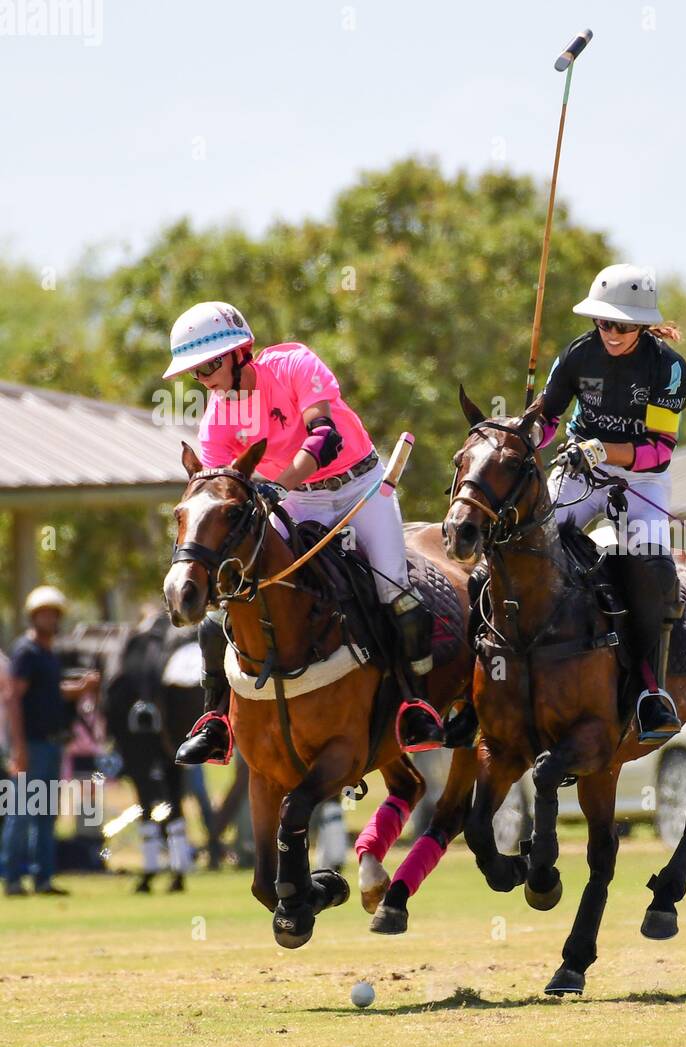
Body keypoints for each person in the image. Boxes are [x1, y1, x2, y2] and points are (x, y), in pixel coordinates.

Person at [161, 301, 443, 763]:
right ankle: (215, 721)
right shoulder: (216, 418)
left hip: (360, 489)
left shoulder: (293, 364)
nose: (205, 379)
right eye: (196, 373)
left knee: (396, 592)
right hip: (294, 500)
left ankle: (417, 704)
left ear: (240, 354)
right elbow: (218, 485)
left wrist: (276, 487)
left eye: (210, 365)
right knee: (224, 609)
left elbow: (325, 437)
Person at [537, 264, 686, 744]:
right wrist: (528, 435)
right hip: (581, 466)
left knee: (649, 568)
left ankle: (650, 691)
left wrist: (605, 451)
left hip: (643, 479)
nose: (610, 332)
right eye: (603, 322)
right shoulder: (579, 355)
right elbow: (546, 417)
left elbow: (659, 450)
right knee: (527, 535)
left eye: (621, 325)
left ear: (642, 325)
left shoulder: (668, 367)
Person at [3, 587, 99, 896]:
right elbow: (14, 698)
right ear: (34, 617)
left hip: (52, 745)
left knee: (45, 815)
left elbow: (51, 693)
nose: (50, 619)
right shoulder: (26, 652)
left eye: (54, 614)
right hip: (30, 744)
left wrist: (80, 688)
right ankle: (13, 879)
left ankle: (43, 878)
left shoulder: (48, 654)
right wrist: (18, 747)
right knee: (21, 812)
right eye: (44, 614)